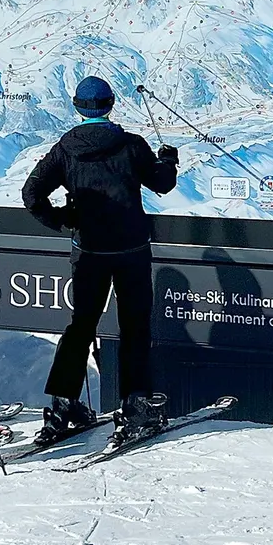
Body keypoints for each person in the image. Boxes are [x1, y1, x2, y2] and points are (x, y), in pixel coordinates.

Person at [21, 76, 178, 447]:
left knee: (81, 326)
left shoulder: (65, 148)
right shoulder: (131, 145)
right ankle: (135, 406)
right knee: (135, 327)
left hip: (89, 251)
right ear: (110, 104)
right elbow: (162, 184)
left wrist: (64, 220)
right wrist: (168, 161)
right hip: (131, 250)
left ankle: (63, 406)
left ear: (78, 107)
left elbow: (31, 194)